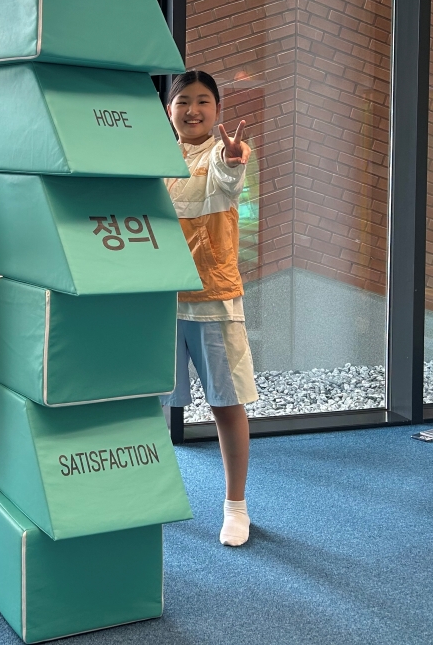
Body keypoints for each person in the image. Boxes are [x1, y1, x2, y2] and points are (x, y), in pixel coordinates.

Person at [161, 69, 258, 546]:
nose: (193, 110)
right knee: (150, 403)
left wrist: (233, 158)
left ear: (217, 110)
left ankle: (235, 506)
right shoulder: (156, 158)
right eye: (183, 101)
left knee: (225, 403)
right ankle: (148, 494)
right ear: (169, 110)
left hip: (211, 299)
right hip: (157, 300)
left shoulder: (224, 153)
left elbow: (228, 174)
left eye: (203, 101)